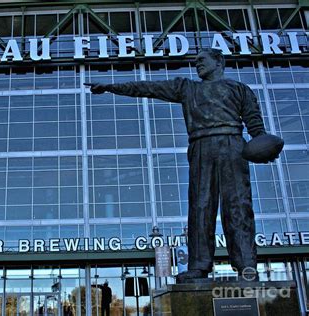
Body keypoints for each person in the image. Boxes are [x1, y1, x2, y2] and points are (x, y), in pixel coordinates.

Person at [86, 48, 264, 282]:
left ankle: (246, 266)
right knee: (200, 206)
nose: (197, 64)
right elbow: (147, 88)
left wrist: (263, 145)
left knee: (238, 205)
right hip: (201, 146)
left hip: (233, 146)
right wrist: (111, 86)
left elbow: (255, 125)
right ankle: (199, 266)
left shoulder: (239, 89)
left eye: (202, 60)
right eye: (195, 61)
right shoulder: (187, 88)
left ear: (219, 62)